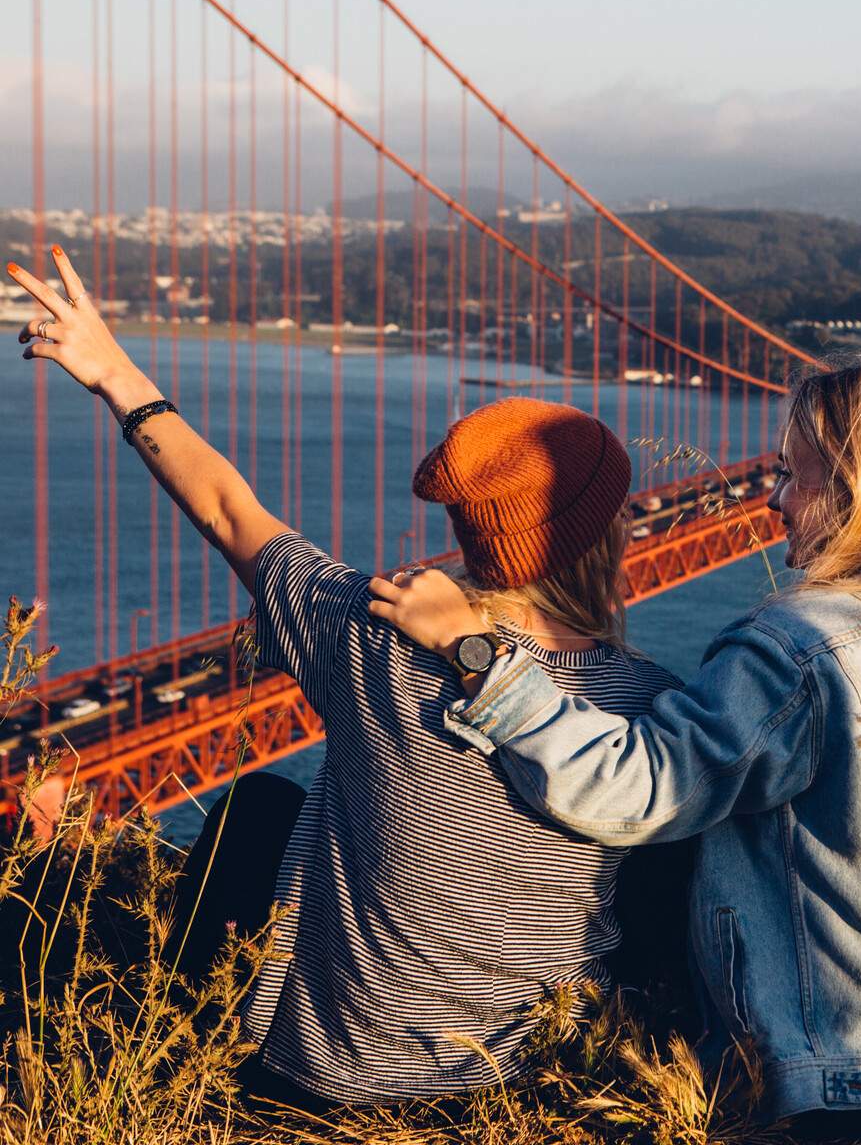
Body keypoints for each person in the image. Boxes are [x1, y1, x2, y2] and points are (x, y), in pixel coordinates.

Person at [8, 249, 683, 1105]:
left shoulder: (373, 641)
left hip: (319, 1073)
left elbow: (227, 509)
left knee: (257, 809)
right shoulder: (655, 713)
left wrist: (113, 371)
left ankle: (192, 1048)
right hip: (505, 1081)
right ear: (606, 536)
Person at [373, 355, 861, 1135]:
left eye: (793, 475)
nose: (774, 498)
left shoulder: (796, 646)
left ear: (858, 491)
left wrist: (480, 657)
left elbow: (639, 792)